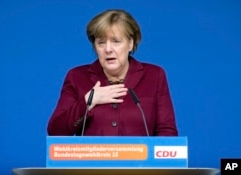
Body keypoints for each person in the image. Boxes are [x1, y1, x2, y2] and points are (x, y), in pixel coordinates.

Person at [47, 9, 178, 136]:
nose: (108, 49)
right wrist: (87, 103)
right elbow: (56, 132)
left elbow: (166, 131)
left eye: (116, 41)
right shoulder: (77, 77)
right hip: (92, 159)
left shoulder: (154, 76)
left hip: (140, 158)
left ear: (130, 43)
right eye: (101, 42)